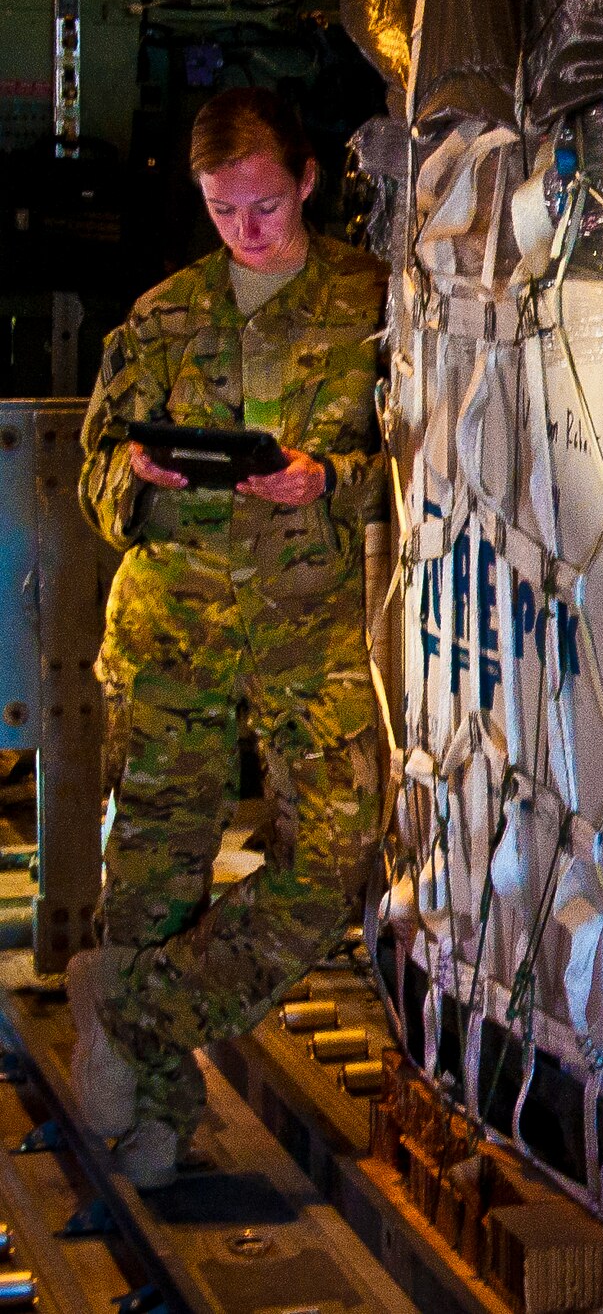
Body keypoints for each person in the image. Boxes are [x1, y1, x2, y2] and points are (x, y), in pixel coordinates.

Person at [72, 87, 386, 1187]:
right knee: (153, 883)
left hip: (310, 639)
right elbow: (96, 478)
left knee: (337, 856)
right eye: (221, 211)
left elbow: (433, 457)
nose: (246, 231)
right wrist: (139, 478)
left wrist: (330, 481)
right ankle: (157, 1117)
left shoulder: (377, 302)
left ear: (305, 180)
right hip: (174, 632)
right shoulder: (162, 318)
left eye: (263, 205)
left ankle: (134, 1015)